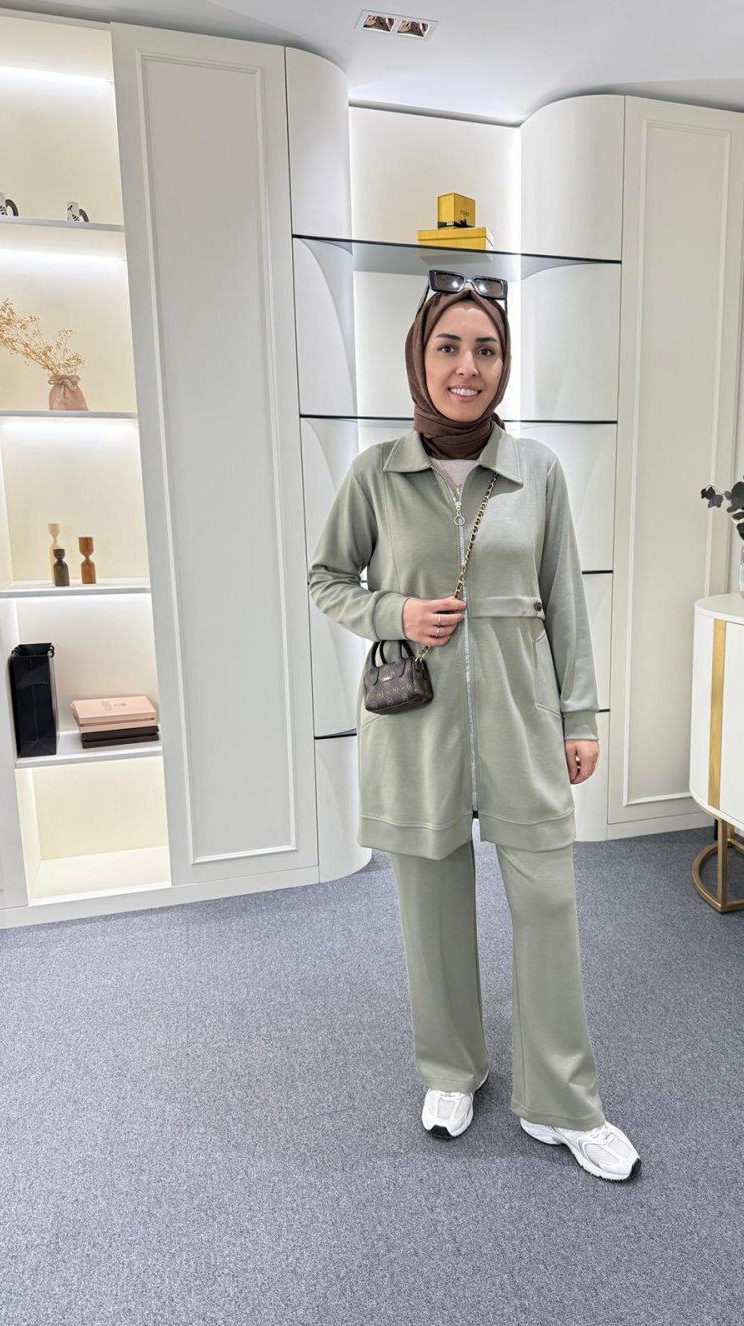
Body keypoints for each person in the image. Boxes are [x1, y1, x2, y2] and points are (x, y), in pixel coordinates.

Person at [308, 272, 640, 1182]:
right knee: (432, 907)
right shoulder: (376, 472)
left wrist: (581, 713)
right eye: (448, 346)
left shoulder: (538, 469)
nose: (467, 366)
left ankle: (562, 1100)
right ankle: (451, 1069)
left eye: (485, 349)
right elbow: (326, 577)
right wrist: (396, 614)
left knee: (548, 904)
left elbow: (566, 601)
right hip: (416, 727)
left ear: (504, 363)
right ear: (419, 358)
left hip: (524, 716)